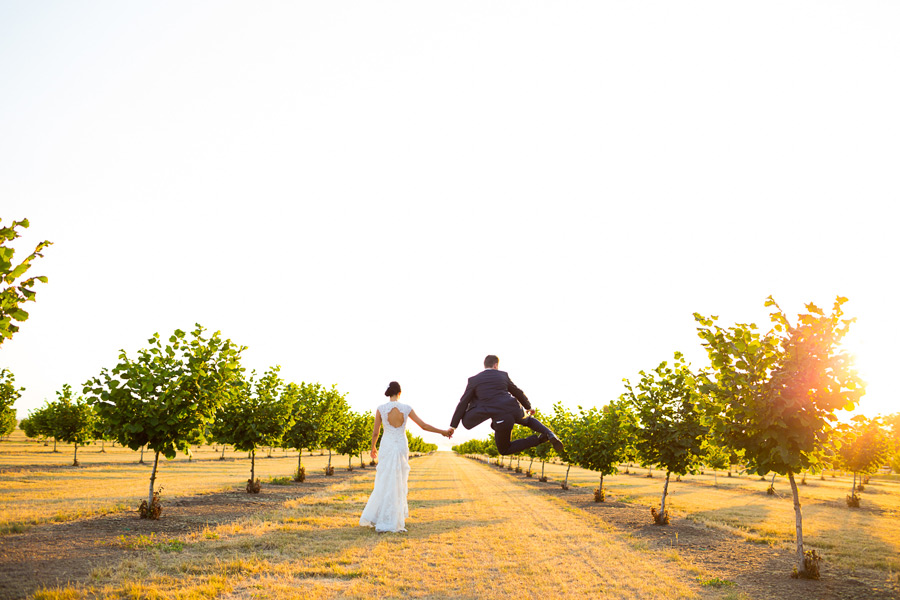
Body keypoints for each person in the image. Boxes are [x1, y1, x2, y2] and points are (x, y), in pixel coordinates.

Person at [359, 381, 452, 533]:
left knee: (384, 479)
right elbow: (424, 426)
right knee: (399, 480)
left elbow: (376, 432)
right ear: (400, 393)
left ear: (389, 393)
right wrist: (442, 431)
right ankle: (393, 518)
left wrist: (373, 447)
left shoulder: (381, 409)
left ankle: (382, 516)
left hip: (387, 445)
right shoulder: (406, 408)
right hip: (401, 445)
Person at [448, 355, 563, 455]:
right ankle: (549, 433)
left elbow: (463, 403)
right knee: (528, 420)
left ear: (485, 365)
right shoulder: (503, 375)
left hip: (500, 417)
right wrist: (528, 407)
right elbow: (517, 391)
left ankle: (541, 440)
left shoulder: (474, 380)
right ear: (496, 365)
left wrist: (453, 426)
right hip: (514, 407)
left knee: (504, 449)